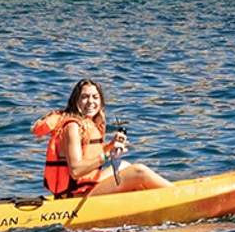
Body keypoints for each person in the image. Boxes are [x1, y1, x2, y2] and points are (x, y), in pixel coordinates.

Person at [32, 79, 170, 196]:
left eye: (95, 97)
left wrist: (110, 145)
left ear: (101, 101)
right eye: (85, 97)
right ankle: (177, 195)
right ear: (76, 101)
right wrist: (107, 155)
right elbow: (76, 171)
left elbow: (86, 155)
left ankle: (153, 202)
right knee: (139, 171)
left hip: (87, 186)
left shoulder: (87, 124)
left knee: (125, 166)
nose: (90, 101)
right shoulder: (72, 127)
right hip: (77, 194)